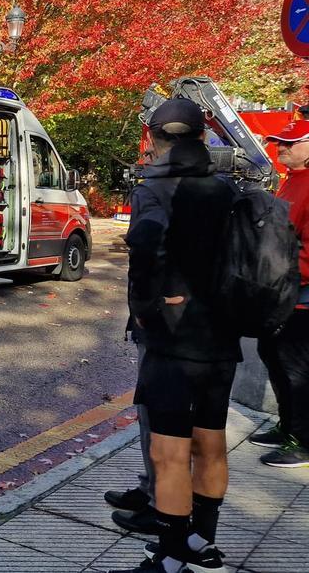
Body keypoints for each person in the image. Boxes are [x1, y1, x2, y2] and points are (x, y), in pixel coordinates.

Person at [111, 98, 239, 573]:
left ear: (155, 140)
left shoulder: (155, 189)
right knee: (211, 440)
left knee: (169, 451)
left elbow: (144, 253)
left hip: (174, 341)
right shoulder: (226, 188)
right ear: (204, 138)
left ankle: (168, 556)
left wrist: (144, 313)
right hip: (221, 339)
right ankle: (204, 537)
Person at [250, 115, 309, 468]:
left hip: (300, 292)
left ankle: (303, 440)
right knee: (273, 356)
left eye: (289, 143)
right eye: (278, 142)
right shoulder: (292, 180)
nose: (280, 148)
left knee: (296, 367)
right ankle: (289, 427)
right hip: (280, 287)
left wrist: (286, 278)